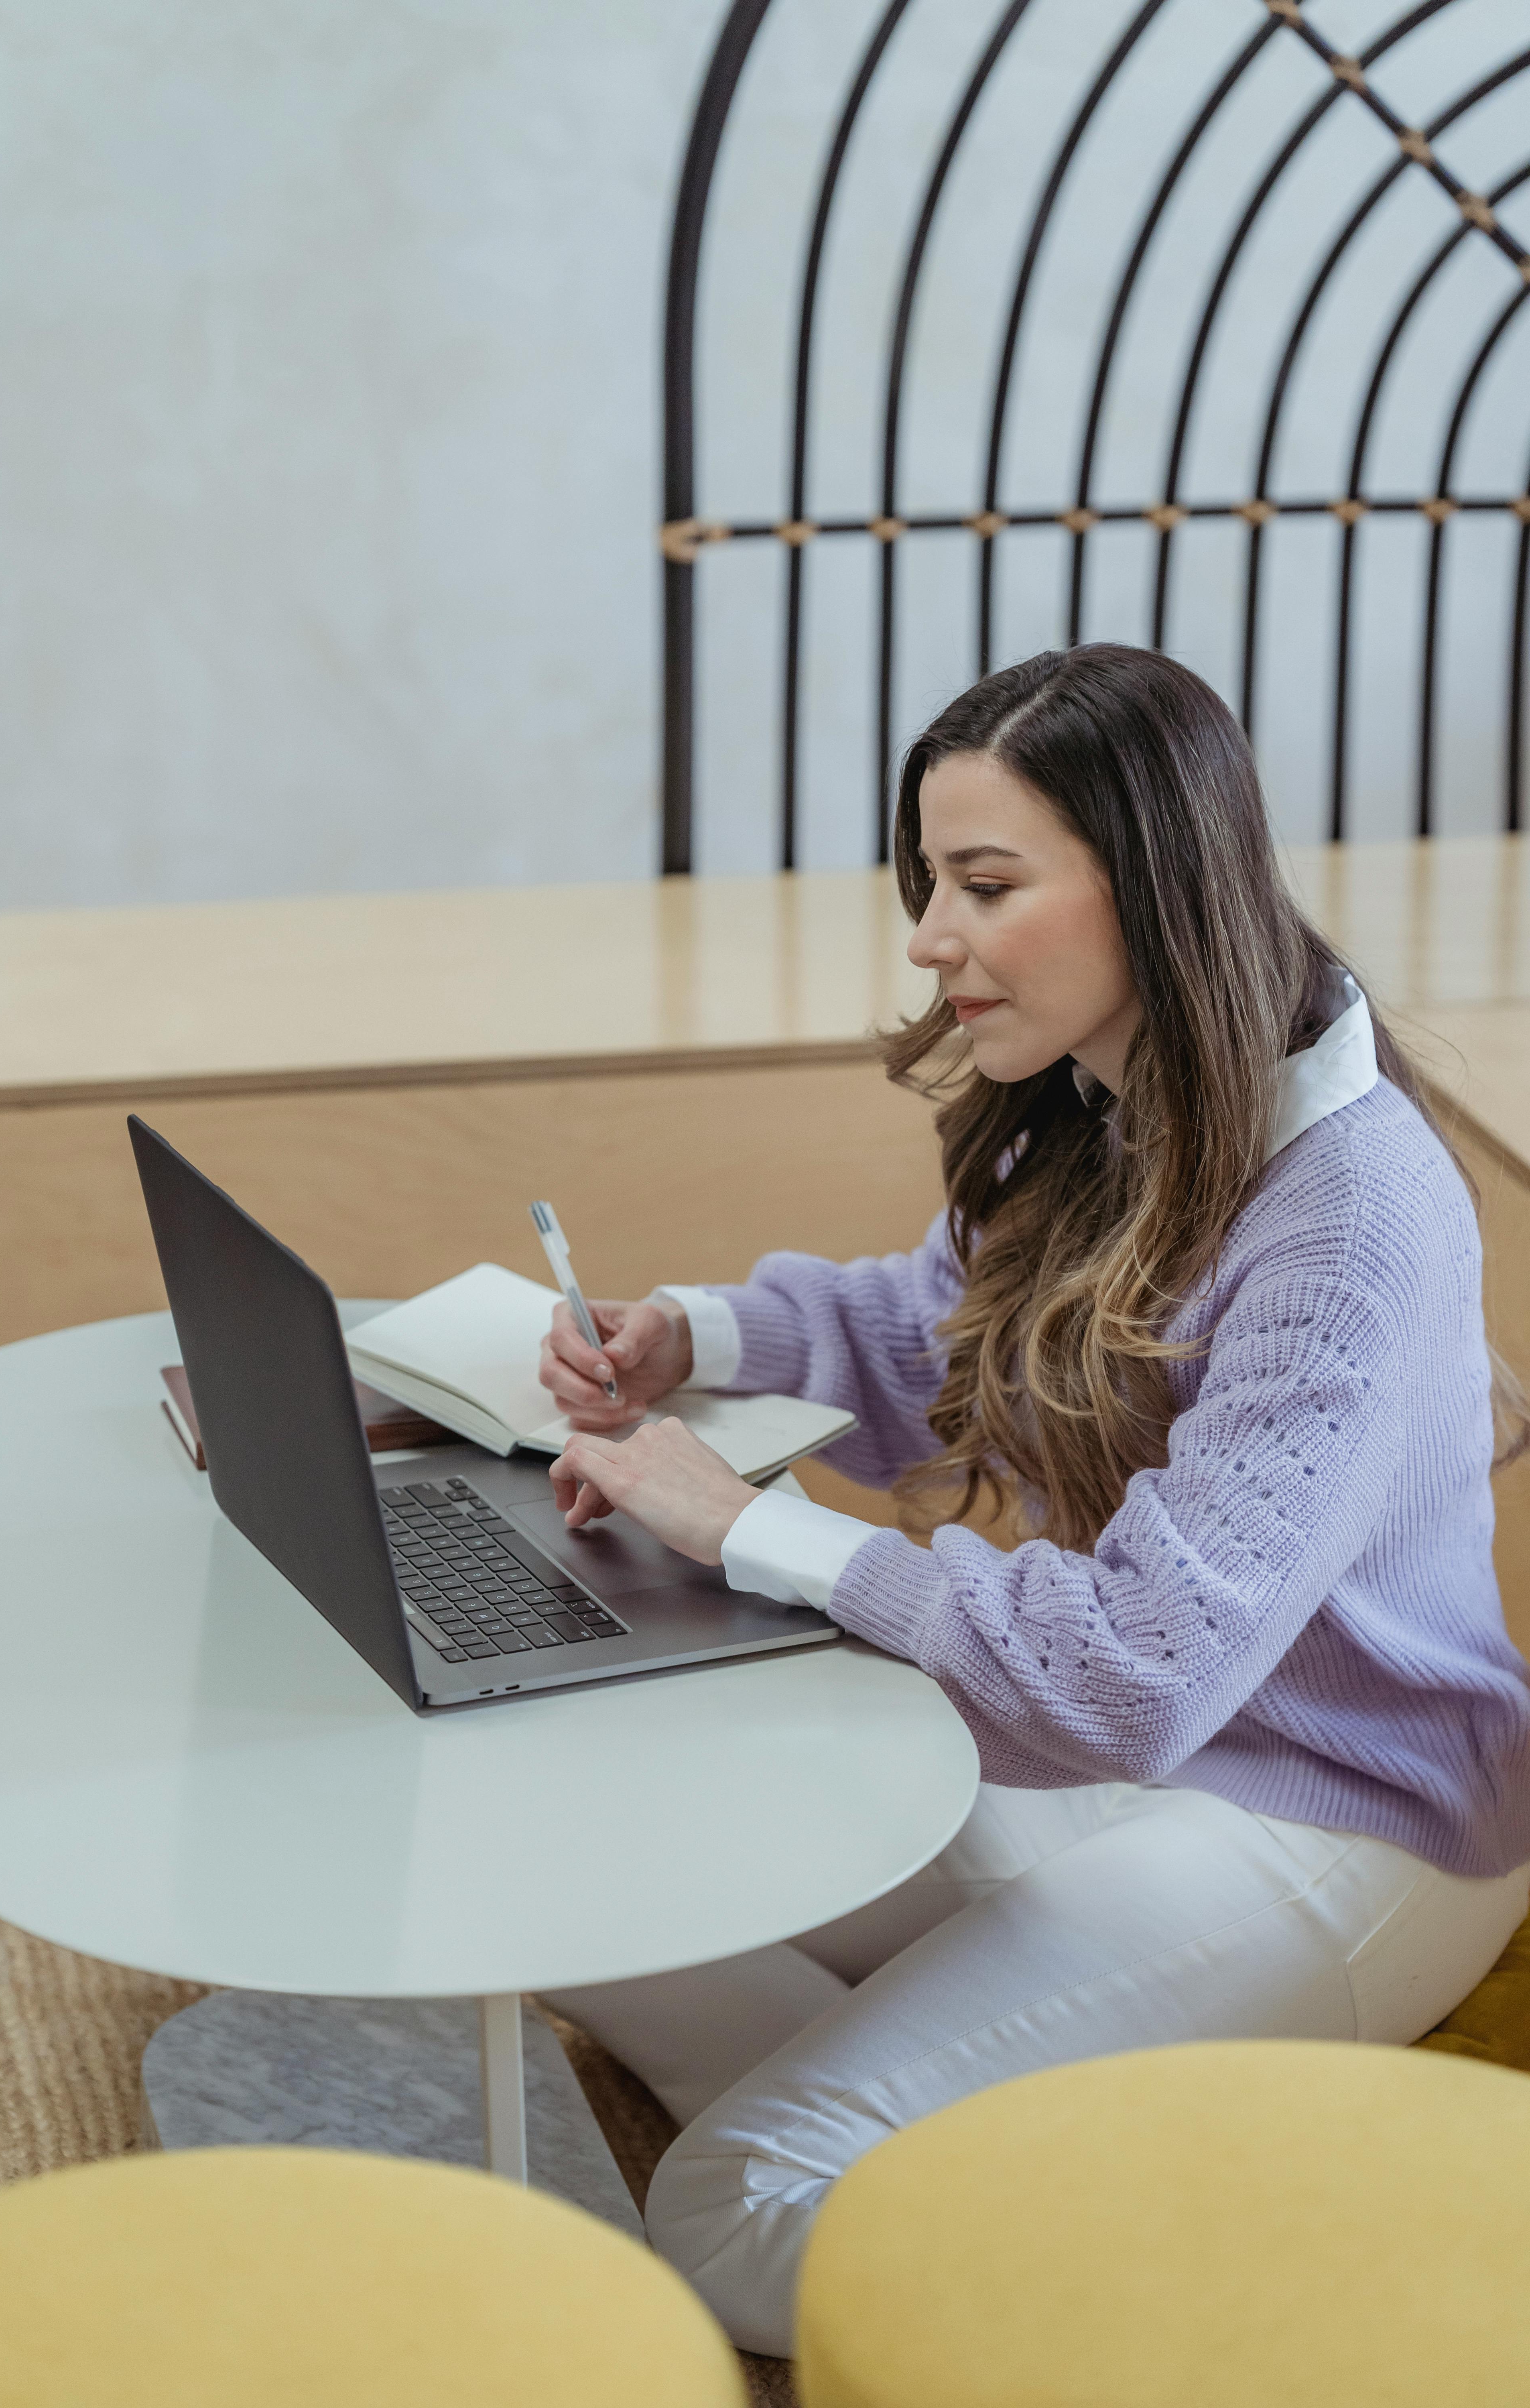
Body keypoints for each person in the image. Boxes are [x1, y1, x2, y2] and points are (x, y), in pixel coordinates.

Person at [536, 644, 1530, 2359]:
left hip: (1332, 1822)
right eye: (932, 883)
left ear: (1152, 886)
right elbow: (937, 1322)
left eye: (984, 885)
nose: (930, 938)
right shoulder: (1107, 1106)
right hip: (1128, 1779)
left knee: (726, 2212)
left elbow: (1137, 1674)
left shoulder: (1351, 1219)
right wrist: (687, 1337)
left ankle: (1240, 2276)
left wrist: (745, 1525)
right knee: (581, 1884)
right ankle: (963, 2113)